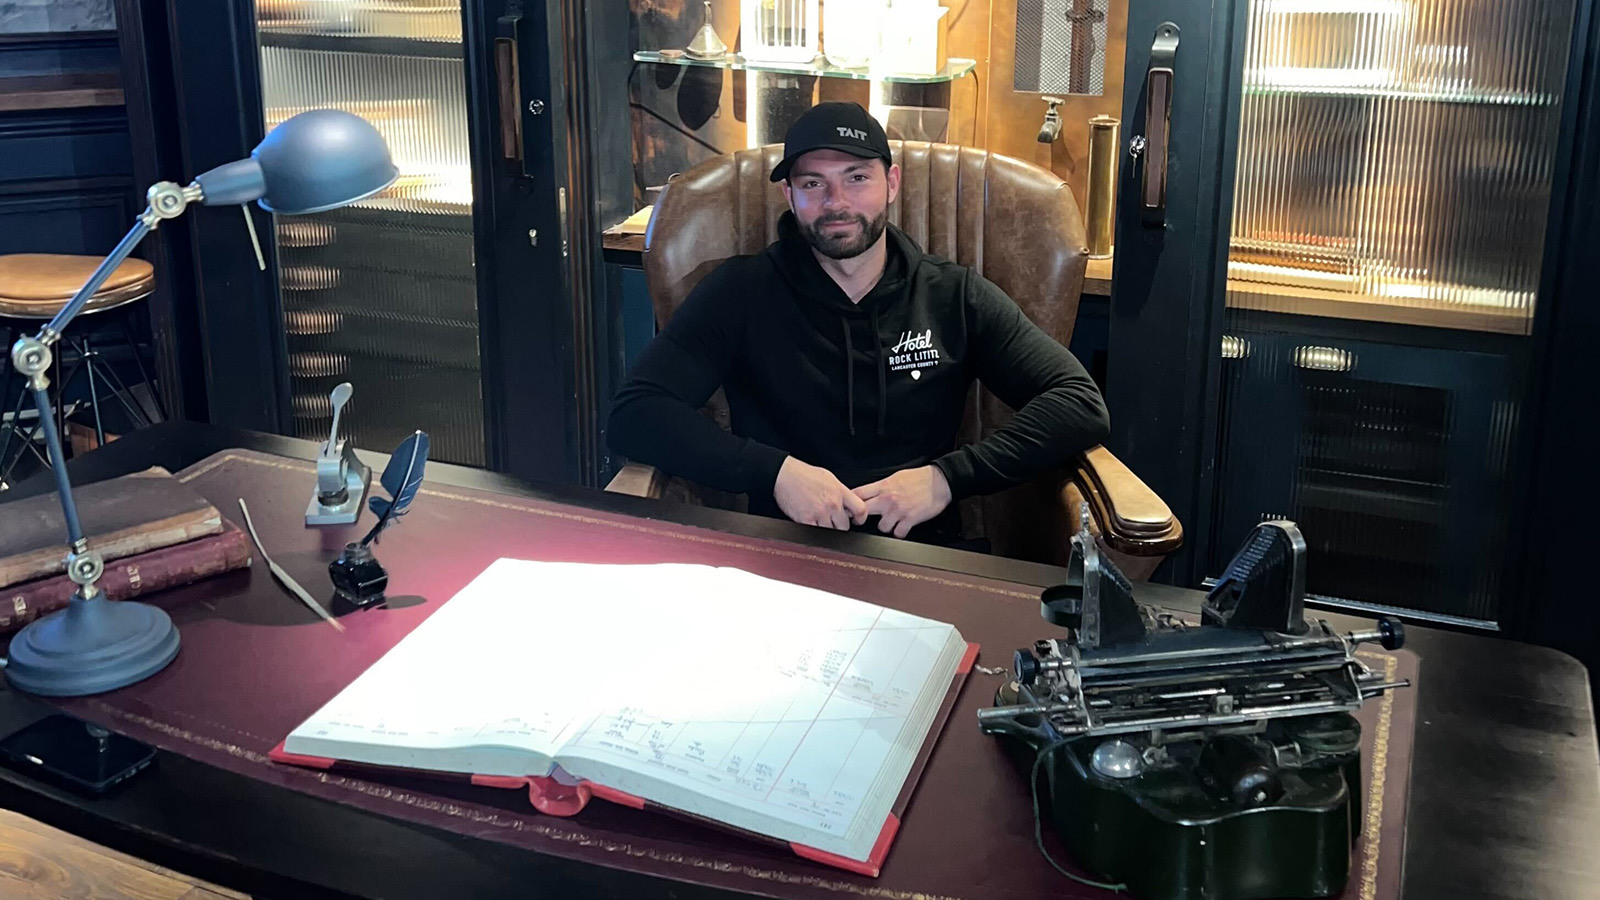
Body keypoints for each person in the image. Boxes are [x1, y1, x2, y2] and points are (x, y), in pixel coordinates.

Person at [607, 101, 1109, 547]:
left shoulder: (952, 295)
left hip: (926, 552)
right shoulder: (741, 292)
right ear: (789, 195)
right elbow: (636, 413)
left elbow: (1078, 402)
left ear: (891, 184)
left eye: (856, 177)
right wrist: (774, 472)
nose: (836, 202)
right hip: (782, 549)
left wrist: (946, 478)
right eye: (812, 183)